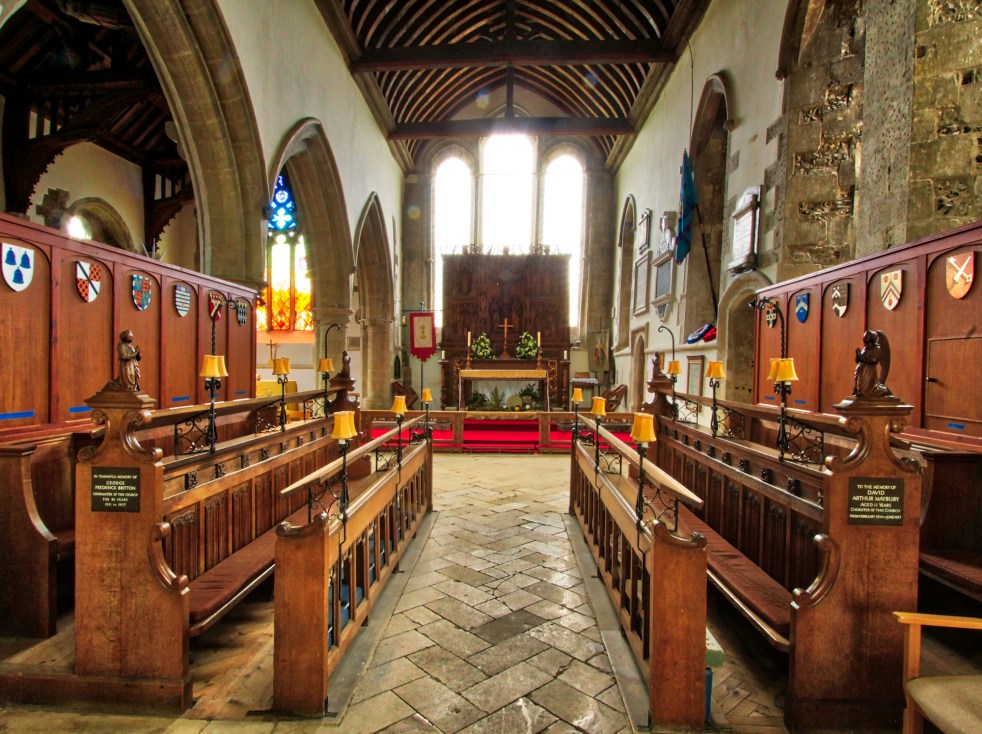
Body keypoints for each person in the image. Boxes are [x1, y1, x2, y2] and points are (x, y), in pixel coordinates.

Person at [854, 330, 892, 398]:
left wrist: (861, 356)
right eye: (864, 337)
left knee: (868, 388)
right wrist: (858, 355)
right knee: (860, 387)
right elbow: (859, 360)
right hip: (861, 371)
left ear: (871, 338)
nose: (864, 338)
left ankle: (873, 391)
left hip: (869, 371)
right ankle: (859, 392)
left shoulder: (876, 348)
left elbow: (872, 360)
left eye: (866, 337)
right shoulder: (865, 348)